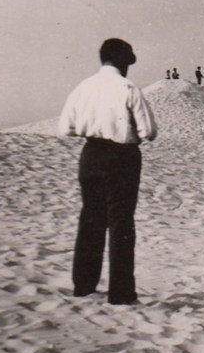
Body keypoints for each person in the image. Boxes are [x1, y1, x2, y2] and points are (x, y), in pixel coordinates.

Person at [57, 38, 157, 305]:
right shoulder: (128, 87)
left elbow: (65, 127)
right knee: (121, 223)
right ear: (123, 62)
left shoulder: (83, 87)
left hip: (90, 156)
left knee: (90, 220)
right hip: (121, 158)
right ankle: (121, 293)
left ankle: (84, 286)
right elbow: (149, 132)